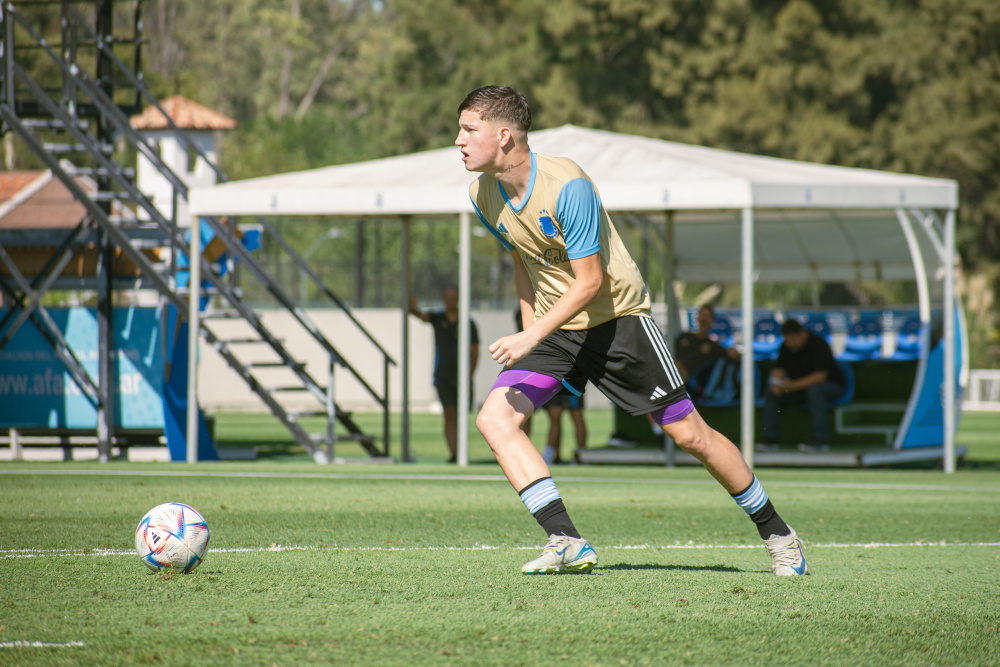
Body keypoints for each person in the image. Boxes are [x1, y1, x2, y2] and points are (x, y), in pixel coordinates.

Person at [456, 85, 806, 576]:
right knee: (495, 420)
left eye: (469, 129)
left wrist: (530, 336)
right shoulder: (481, 194)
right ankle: (566, 539)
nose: (459, 140)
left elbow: (590, 282)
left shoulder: (568, 186)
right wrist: (529, 327)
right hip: (557, 328)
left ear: (505, 134)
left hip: (616, 320)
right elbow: (524, 257)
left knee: (690, 436)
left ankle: (778, 533)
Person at [409, 286, 479, 463]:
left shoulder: (467, 323)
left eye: (454, 297)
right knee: (449, 412)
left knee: (461, 415)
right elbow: (420, 316)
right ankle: (454, 453)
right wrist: (411, 307)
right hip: (443, 375)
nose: (450, 300)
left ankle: (462, 452)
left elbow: (474, 351)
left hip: (462, 376)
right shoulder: (438, 318)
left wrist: (469, 376)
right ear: (443, 299)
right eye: (447, 297)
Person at [761, 318, 844, 453]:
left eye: (793, 339)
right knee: (772, 393)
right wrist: (776, 384)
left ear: (803, 334)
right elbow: (778, 371)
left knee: (815, 391)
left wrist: (792, 386)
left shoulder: (819, 344)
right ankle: (770, 439)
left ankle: (820, 440)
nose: (790, 343)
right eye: (787, 339)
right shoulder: (786, 347)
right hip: (800, 390)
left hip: (830, 387)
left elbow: (820, 377)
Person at [542, 389, 586, 465]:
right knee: (555, 418)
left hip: (569, 382)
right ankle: (551, 456)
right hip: (562, 382)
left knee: (576, 417)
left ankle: (580, 455)